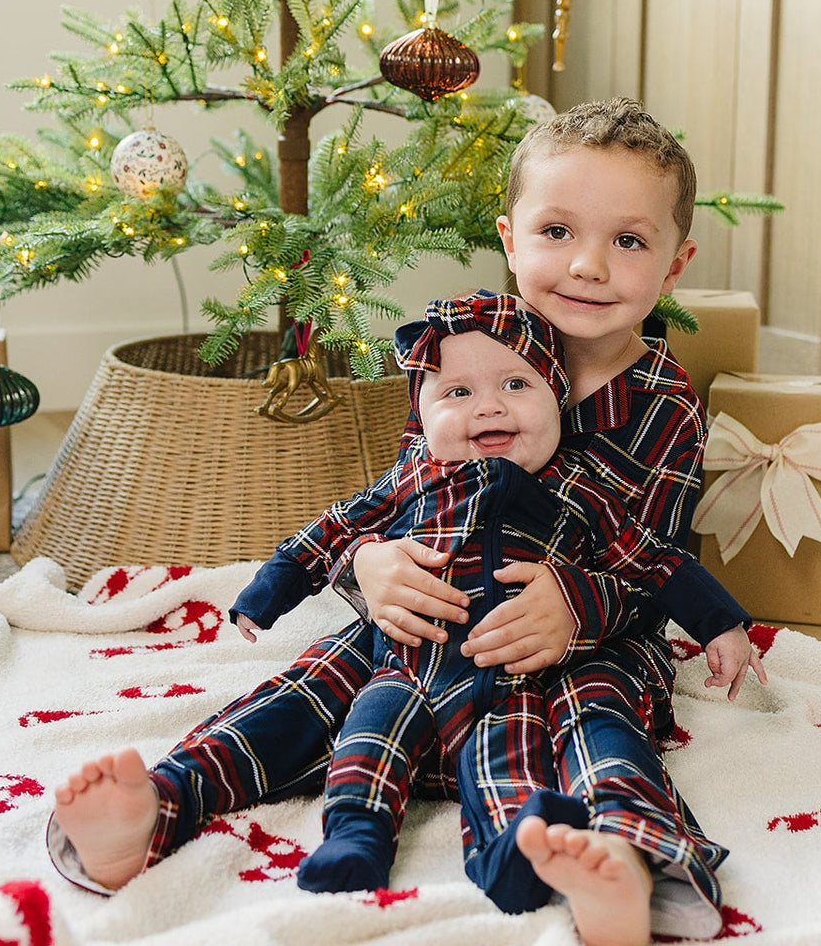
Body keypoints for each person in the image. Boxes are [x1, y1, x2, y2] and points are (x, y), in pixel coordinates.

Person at [341, 97, 763, 945]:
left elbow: (655, 565)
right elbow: (399, 493)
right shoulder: (464, 359)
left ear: (673, 266)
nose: (589, 266)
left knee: (597, 708)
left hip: (591, 639)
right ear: (510, 238)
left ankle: (630, 859)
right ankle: (169, 800)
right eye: (558, 232)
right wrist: (370, 564)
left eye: (629, 241)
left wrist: (575, 606)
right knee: (339, 677)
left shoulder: (664, 407)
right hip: (450, 616)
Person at [227, 291, 753, 897]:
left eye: (516, 386)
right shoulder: (416, 473)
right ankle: (350, 840)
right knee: (365, 739)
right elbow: (336, 527)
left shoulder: (578, 489)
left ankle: (552, 858)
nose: (489, 407)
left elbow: (656, 558)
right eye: (457, 394)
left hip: (519, 670)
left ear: (557, 401)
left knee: (509, 762)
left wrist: (720, 622)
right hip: (409, 661)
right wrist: (270, 592)